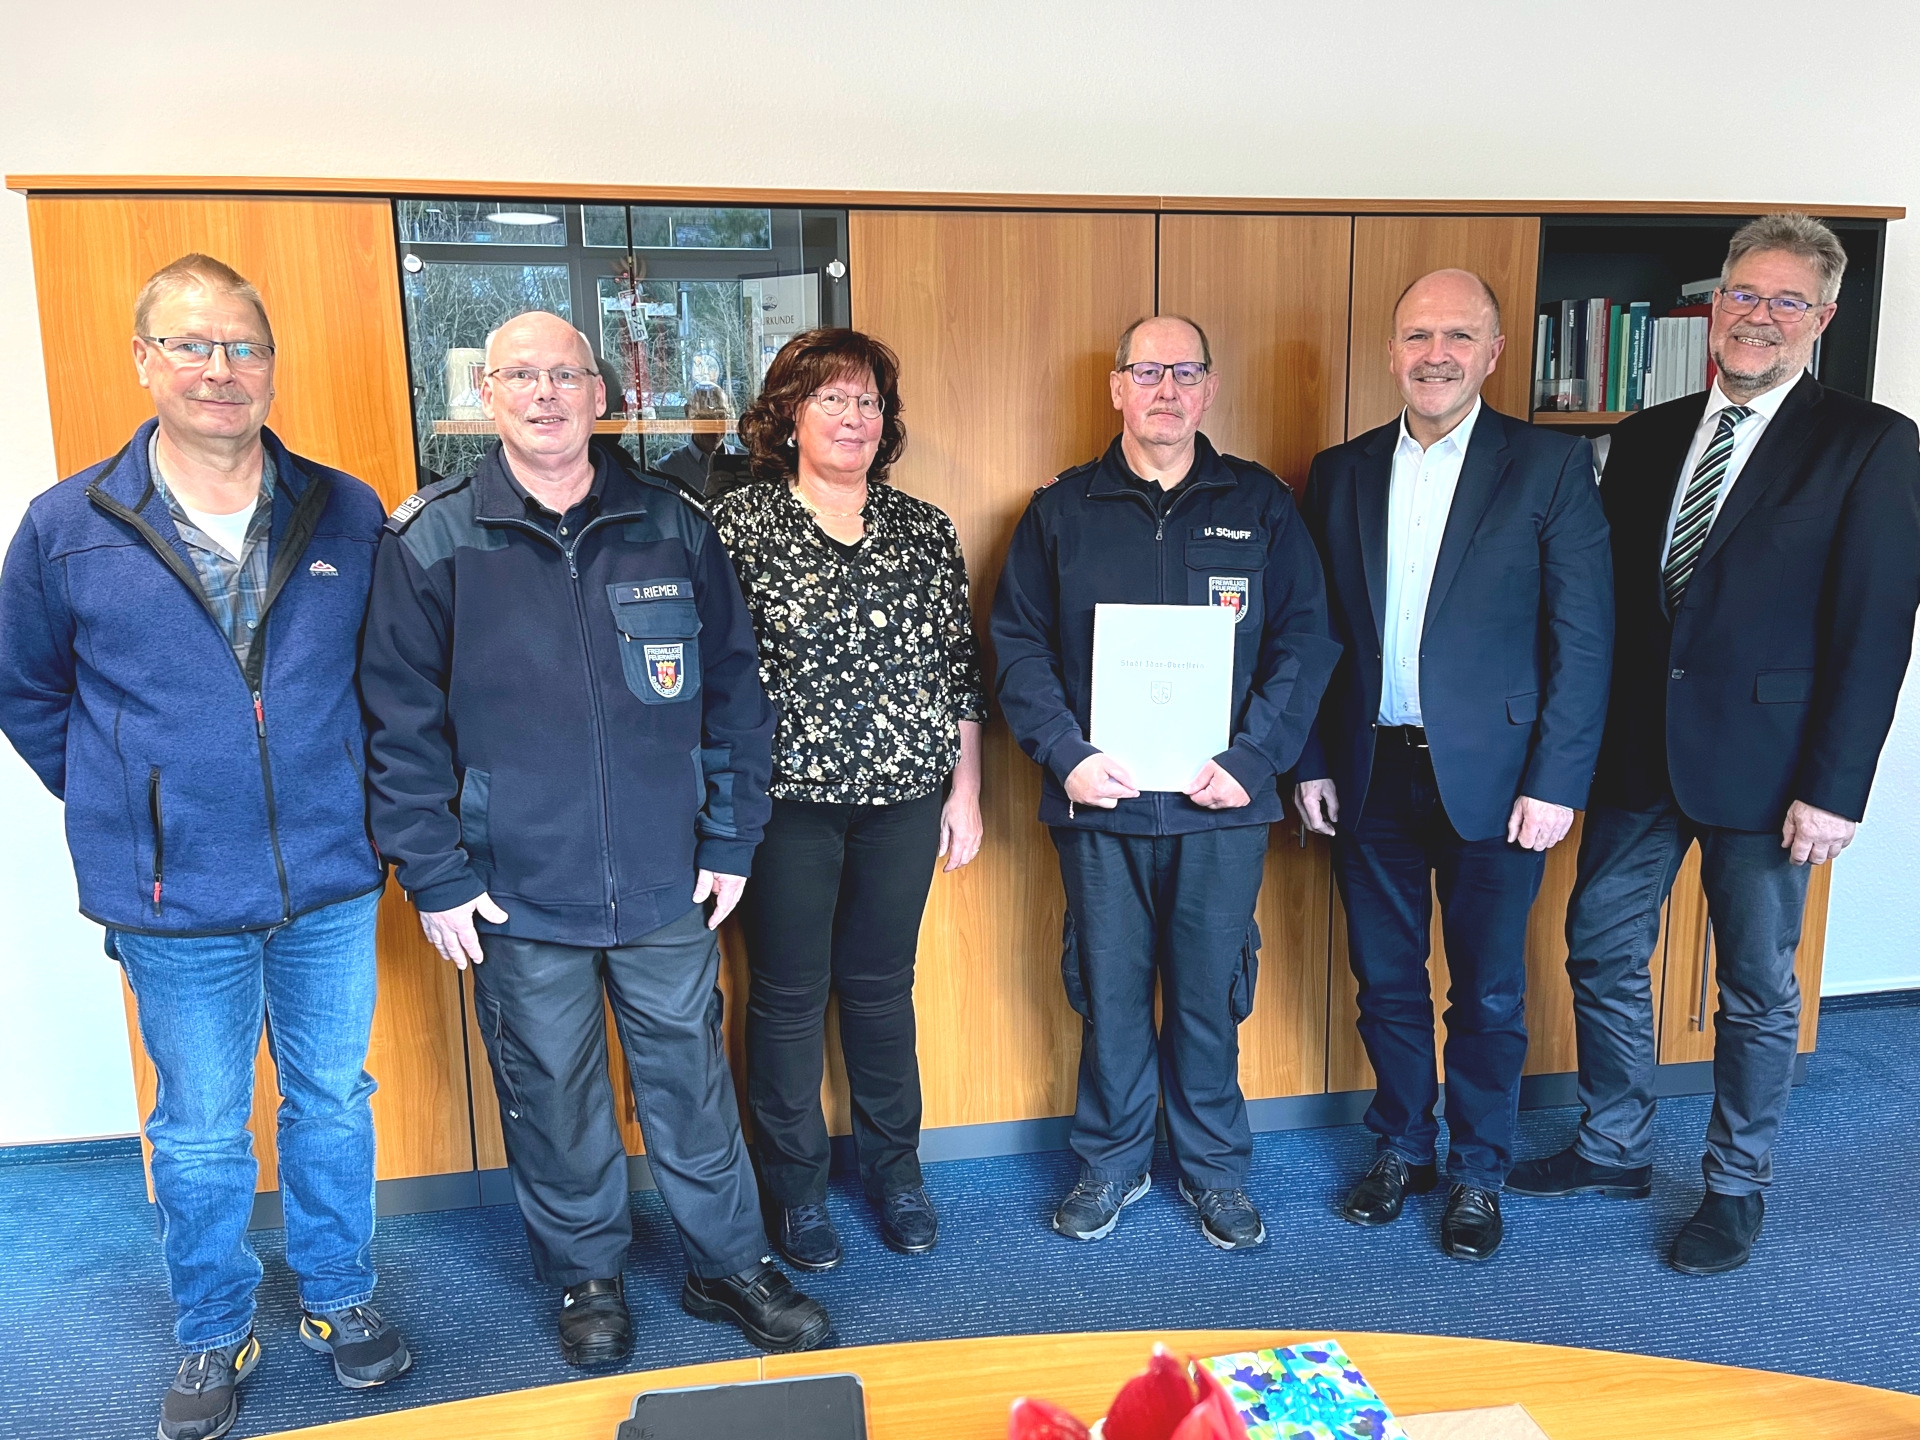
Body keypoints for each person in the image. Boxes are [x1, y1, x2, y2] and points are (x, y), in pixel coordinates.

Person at [359, 310, 831, 1361]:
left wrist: (731, 838)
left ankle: (728, 1264)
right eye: (520, 376)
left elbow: (734, 694)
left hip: (667, 876)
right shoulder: (430, 538)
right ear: (485, 394)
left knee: (690, 1081)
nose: (545, 394)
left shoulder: (674, 524)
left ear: (600, 396)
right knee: (553, 1092)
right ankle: (587, 1278)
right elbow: (399, 726)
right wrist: (434, 872)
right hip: (514, 887)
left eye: (566, 375)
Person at [0, 255, 410, 1440]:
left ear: (270, 368)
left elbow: (389, 680)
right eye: (190, 344)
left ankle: (338, 1295)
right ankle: (214, 1324)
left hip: (329, 876)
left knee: (333, 1099)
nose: (219, 369)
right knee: (197, 1128)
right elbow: (28, 689)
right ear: (146, 360)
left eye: (242, 346)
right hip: (172, 896)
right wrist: (131, 802)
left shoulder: (345, 510)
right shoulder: (68, 525)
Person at [1508, 214, 1920, 1275]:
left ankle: (1736, 1183)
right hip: (1639, 754)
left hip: (1774, 770)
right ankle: (1614, 1144)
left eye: (1787, 301)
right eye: (1743, 294)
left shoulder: (1870, 442)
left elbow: (1876, 627)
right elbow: (1607, 605)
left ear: (1823, 318)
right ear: (1713, 305)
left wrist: (1836, 788)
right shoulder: (1646, 436)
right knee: (1600, 946)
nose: (1759, 317)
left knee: (1756, 987)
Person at [991, 315, 1341, 1251]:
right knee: (1107, 990)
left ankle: (1215, 1170)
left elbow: (1306, 642)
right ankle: (1112, 1162)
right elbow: (1017, 647)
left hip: (1218, 807)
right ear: (1117, 388)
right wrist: (1067, 754)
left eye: (1186, 372)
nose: (1167, 390)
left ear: (1209, 388)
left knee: (1210, 993)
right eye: (1148, 372)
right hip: (1099, 803)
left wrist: (1253, 761)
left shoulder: (1261, 505)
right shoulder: (1060, 511)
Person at [1294, 270, 1614, 1262]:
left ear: (1494, 352)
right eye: (1419, 335)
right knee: (1385, 983)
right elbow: (1310, 632)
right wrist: (1309, 759)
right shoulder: (1340, 472)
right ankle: (1404, 1147)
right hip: (1369, 772)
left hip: (1503, 780)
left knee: (1487, 993)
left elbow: (1584, 639)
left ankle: (1480, 1169)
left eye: (1459, 336)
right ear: (1392, 351)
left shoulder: (1548, 466)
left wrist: (1557, 781)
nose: (1436, 354)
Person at [712, 329, 987, 1273]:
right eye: (832, 398)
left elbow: (959, 671)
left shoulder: (924, 528)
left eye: (868, 401)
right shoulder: (739, 526)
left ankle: (896, 1175)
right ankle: (795, 1191)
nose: (854, 417)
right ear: (789, 415)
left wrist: (965, 790)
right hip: (785, 804)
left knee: (880, 989)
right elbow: (714, 677)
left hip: (906, 798)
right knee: (787, 997)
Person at [653, 381, 743, 498]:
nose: (715, 423)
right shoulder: (667, 469)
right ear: (688, 415)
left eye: (720, 415)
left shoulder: (746, 461)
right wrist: (706, 496)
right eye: (706, 416)